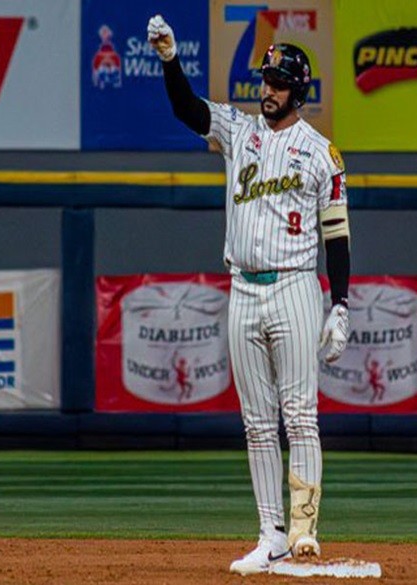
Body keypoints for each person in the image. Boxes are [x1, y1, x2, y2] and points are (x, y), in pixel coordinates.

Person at [148, 15, 352, 575]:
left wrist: (341, 303)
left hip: (293, 287)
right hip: (242, 287)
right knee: (258, 423)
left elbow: (336, 234)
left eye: (279, 82)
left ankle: (305, 529)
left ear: (298, 91)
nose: (268, 89)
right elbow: (188, 110)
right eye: (266, 79)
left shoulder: (321, 153)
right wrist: (170, 60)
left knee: (300, 417)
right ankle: (271, 534)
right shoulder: (240, 131)